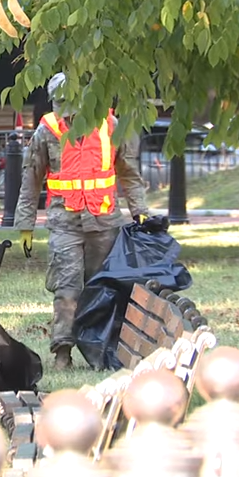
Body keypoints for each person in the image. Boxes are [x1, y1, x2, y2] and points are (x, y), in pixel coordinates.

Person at [13, 72, 149, 371]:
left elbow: (129, 173)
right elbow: (31, 177)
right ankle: (62, 351)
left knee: (104, 289)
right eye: (61, 105)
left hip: (105, 222)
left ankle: (103, 350)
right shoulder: (47, 130)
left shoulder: (112, 127)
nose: (67, 114)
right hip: (65, 223)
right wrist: (25, 223)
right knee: (67, 288)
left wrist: (140, 210)